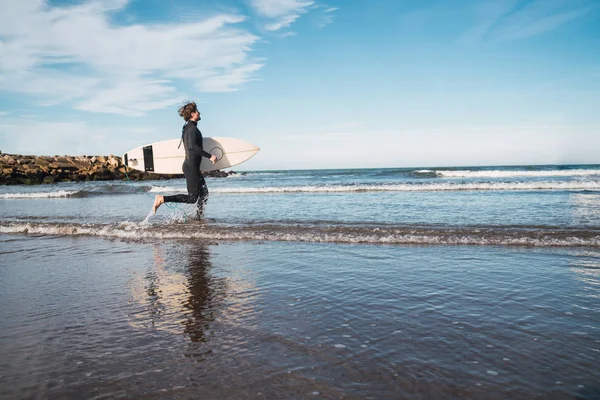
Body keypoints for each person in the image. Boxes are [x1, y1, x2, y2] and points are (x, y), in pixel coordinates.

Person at [152, 102, 217, 217]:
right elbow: (192, 147)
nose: (199, 112)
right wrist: (210, 156)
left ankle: (198, 217)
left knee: (204, 194)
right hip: (191, 167)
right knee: (192, 198)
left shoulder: (187, 128)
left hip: (192, 166)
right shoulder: (192, 129)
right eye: (197, 111)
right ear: (192, 114)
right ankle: (162, 198)